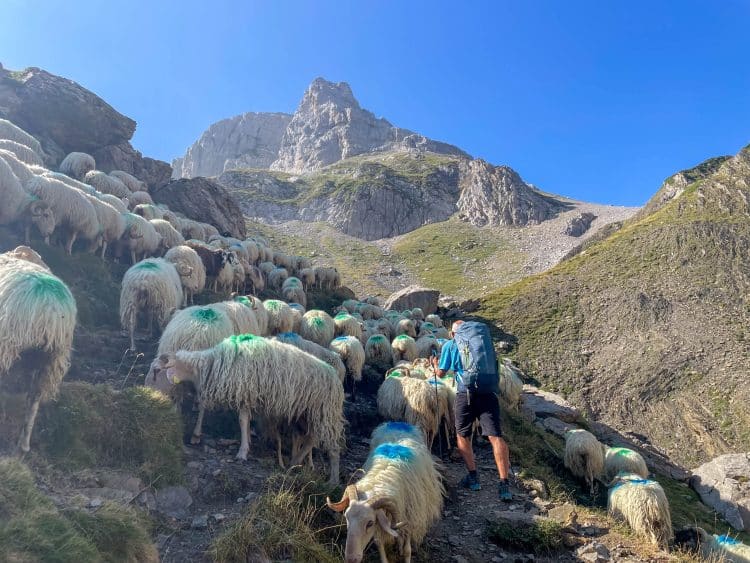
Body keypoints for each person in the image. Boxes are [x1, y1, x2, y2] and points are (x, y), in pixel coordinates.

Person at [431, 320, 513, 500]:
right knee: (496, 437)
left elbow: (441, 374)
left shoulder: (451, 345)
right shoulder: (484, 344)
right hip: (488, 393)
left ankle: (473, 477)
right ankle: (504, 483)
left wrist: (435, 364)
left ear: (453, 334)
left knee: (462, 435)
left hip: (465, 394)